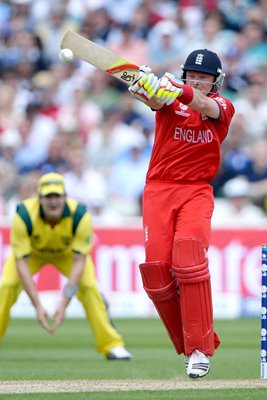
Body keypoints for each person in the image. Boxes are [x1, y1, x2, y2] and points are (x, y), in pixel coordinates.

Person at [128, 49, 235, 378]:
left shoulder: (224, 107)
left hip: (196, 191)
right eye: (192, 75)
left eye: (204, 77)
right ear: (185, 74)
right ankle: (191, 343)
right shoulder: (169, 100)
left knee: (188, 257)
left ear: (215, 81)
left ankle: (199, 349)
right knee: (157, 273)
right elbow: (156, 101)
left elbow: (203, 105)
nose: (198, 81)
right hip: (159, 189)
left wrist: (178, 88)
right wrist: (145, 86)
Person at [0, 172, 132, 361]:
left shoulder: (80, 216)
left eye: (57, 196)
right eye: (48, 196)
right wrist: (37, 305)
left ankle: (112, 345)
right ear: (39, 198)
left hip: (68, 255)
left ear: (65, 196)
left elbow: (79, 263)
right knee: (7, 286)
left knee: (89, 288)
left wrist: (63, 304)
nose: (53, 201)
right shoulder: (23, 215)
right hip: (33, 254)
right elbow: (21, 263)